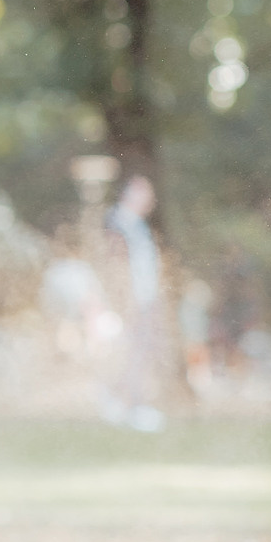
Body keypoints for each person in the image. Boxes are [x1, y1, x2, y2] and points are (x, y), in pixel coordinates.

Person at [104, 174, 166, 431]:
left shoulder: (135, 224)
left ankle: (123, 403)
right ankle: (130, 406)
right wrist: (128, 301)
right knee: (134, 354)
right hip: (132, 302)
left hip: (143, 300)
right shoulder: (119, 222)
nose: (149, 198)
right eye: (144, 192)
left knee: (140, 353)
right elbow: (117, 266)